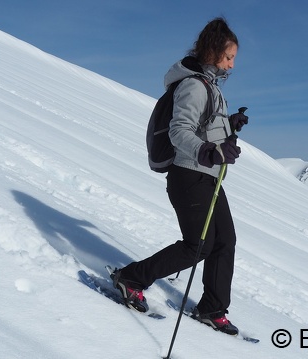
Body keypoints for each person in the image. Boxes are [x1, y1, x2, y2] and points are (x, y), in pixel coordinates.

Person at [111, 17, 248, 336]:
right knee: (198, 244)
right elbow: (180, 130)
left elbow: (205, 126)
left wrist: (230, 124)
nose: (231, 65)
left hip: (208, 177)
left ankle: (213, 307)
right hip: (189, 175)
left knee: (224, 242)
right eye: (228, 57)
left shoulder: (209, 86)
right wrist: (210, 152)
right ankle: (131, 278)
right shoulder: (193, 85)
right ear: (213, 52)